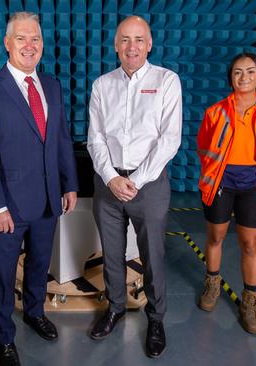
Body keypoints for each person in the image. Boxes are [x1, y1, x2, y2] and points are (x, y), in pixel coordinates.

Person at [0, 11, 78, 366]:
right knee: (1, 275)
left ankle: (34, 311)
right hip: (8, 206)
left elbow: (61, 139)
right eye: (21, 38)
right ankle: (4, 337)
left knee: (40, 263)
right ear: (7, 43)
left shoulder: (52, 85)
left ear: (42, 45)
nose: (29, 46)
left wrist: (69, 183)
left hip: (48, 199)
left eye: (35, 39)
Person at [86, 15, 182, 358]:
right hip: (107, 182)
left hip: (150, 184)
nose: (132, 47)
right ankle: (114, 308)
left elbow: (170, 140)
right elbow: (95, 139)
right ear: (115, 45)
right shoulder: (102, 85)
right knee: (112, 253)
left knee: (152, 255)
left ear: (150, 44)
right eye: (125, 40)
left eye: (139, 39)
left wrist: (136, 180)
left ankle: (156, 318)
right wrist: (111, 177)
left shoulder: (167, 81)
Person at [196, 53, 256, 334]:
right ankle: (212, 284)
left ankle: (250, 301)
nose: (244, 77)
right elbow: (203, 147)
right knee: (215, 237)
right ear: (230, 77)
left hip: (253, 186)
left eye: (250, 72)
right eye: (237, 72)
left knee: (250, 245)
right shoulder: (215, 112)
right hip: (221, 182)